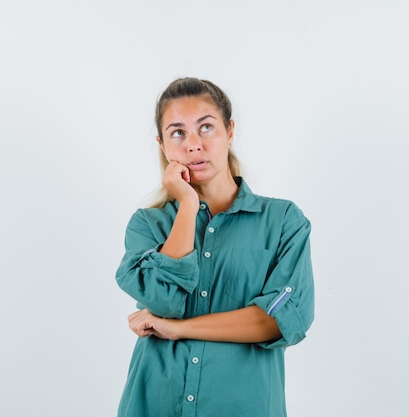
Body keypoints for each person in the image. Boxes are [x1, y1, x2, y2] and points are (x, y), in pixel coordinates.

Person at [115, 77, 314, 417]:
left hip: (244, 406)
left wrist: (177, 329)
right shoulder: (147, 225)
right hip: (156, 405)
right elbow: (164, 300)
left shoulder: (283, 221)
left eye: (205, 127)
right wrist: (187, 206)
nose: (193, 145)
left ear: (229, 131)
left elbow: (281, 321)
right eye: (177, 133)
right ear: (162, 144)